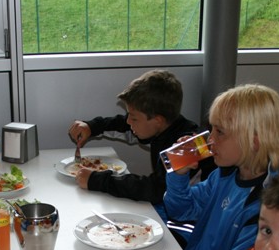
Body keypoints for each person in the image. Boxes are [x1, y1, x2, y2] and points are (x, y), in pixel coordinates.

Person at [163, 83, 279, 250]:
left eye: (220, 132)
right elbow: (180, 211)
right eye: (211, 129)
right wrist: (179, 175)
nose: (210, 139)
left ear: (254, 140)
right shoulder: (224, 175)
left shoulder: (268, 206)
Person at [67, 69, 215, 212]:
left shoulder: (187, 146)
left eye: (134, 118)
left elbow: (155, 190)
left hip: (191, 218)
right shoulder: (160, 126)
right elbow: (122, 125)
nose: (128, 121)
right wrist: (91, 127)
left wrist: (98, 181)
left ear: (157, 120)